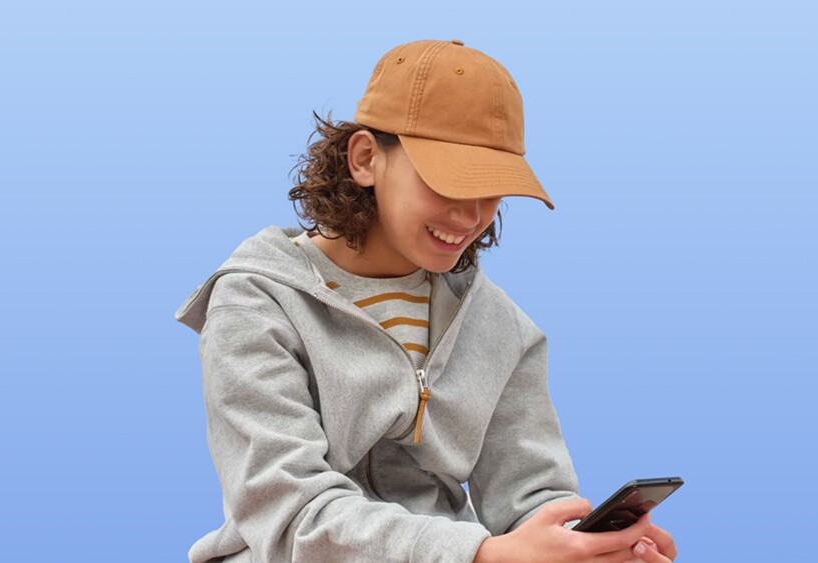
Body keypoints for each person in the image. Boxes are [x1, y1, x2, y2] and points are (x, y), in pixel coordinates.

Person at [175, 38, 677, 563]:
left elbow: (530, 499)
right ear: (366, 158)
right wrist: (481, 555)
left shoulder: (500, 326)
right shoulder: (256, 302)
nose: (470, 216)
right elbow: (290, 514)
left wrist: (584, 546)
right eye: (448, 182)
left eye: (493, 189)